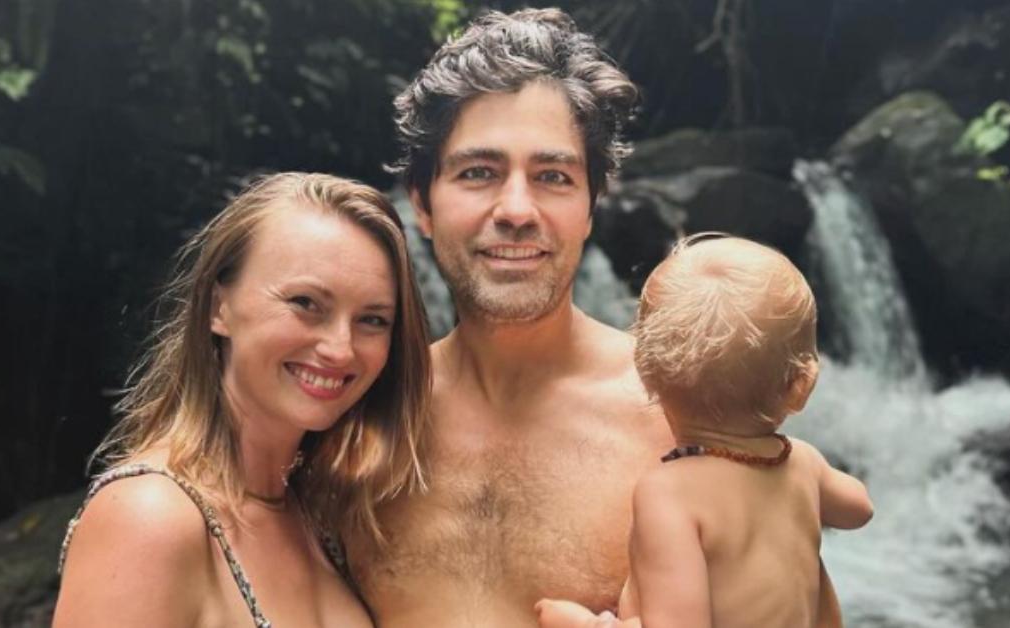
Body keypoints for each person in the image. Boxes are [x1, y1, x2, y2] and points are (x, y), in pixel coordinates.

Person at [344, 9, 846, 627]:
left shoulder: (697, 419)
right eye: (479, 173)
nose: (517, 209)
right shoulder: (353, 416)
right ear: (421, 203)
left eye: (553, 176)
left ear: (590, 207)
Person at [53, 172, 431, 627]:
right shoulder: (149, 517)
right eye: (306, 303)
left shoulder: (318, 514)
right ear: (219, 309)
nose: (340, 348)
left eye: (372, 320)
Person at [534, 235, 874, 628]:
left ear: (646, 374)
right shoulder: (802, 462)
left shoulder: (670, 495)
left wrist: (590, 625)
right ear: (801, 387)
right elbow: (859, 510)